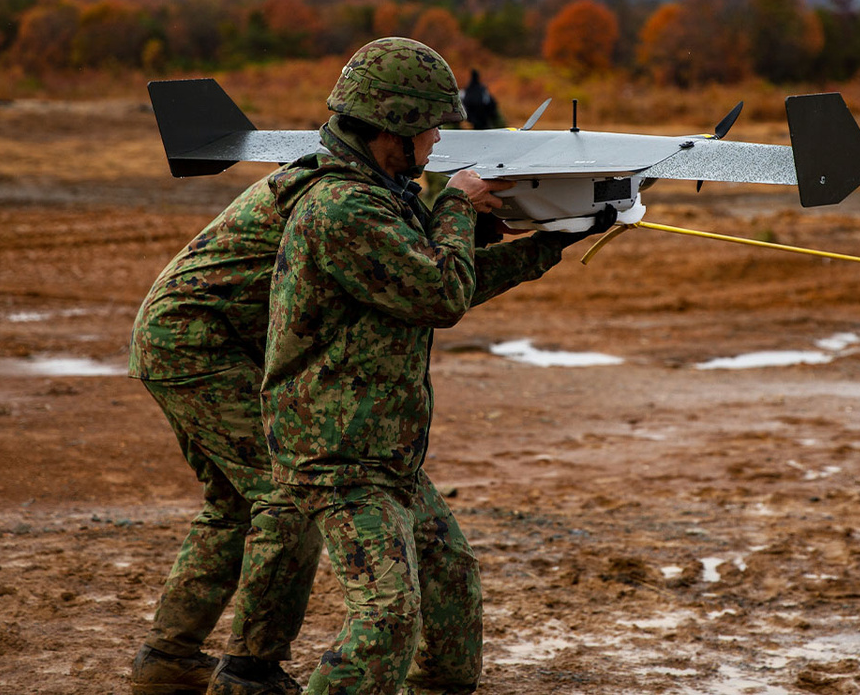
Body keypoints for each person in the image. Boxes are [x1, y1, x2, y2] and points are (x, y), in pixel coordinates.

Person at [260, 37, 611, 694]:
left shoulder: (378, 196)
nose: (437, 141)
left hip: (381, 446)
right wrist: (456, 204)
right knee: (387, 619)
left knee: (448, 581)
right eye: (429, 128)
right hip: (336, 453)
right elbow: (441, 293)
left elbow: (442, 282)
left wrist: (553, 243)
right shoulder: (343, 207)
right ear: (390, 128)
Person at [128, 174, 325, 694]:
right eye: (428, 133)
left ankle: (167, 660)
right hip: (199, 343)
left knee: (233, 503)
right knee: (290, 494)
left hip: (182, 336)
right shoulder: (337, 187)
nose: (436, 138)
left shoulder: (326, 172)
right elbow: (415, 282)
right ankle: (249, 672)